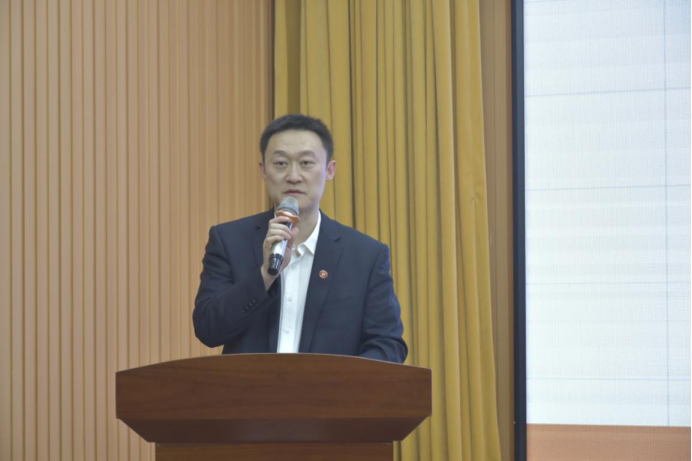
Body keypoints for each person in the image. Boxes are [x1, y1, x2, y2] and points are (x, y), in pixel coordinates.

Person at [193, 114, 407, 363]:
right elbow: (208, 329)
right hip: (250, 388)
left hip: (330, 389)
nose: (293, 176)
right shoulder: (229, 241)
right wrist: (264, 276)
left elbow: (388, 345)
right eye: (281, 163)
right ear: (263, 170)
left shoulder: (365, 255)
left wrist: (339, 382)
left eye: (306, 163)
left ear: (329, 170)